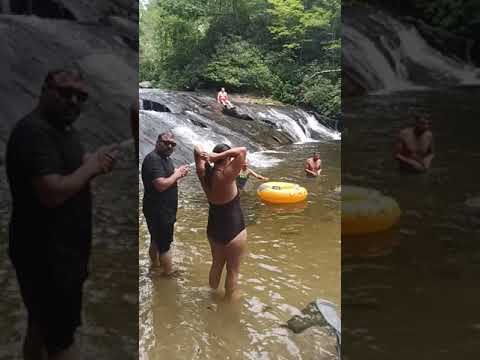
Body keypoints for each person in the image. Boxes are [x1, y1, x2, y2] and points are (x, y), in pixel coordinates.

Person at [6, 69, 118, 360]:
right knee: (62, 341)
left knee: (40, 326)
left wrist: (91, 160)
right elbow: (51, 191)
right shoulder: (34, 132)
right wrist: (91, 168)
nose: (73, 101)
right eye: (65, 92)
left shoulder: (62, 129)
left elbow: (65, 167)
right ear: (45, 90)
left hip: (58, 251)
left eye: (81, 97)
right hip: (47, 254)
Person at [193, 143, 247, 300]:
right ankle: (230, 306)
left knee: (216, 265)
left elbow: (196, 148)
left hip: (214, 228)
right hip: (234, 229)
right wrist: (217, 156)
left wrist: (208, 156)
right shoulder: (227, 175)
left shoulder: (203, 173)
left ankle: (212, 297)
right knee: (233, 270)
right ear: (227, 158)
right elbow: (242, 151)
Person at [141, 132, 189, 275]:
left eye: (172, 144)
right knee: (165, 246)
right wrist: (177, 174)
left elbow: (167, 178)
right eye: (166, 142)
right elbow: (160, 185)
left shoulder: (165, 158)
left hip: (160, 208)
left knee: (155, 239)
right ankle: (168, 275)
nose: (169, 146)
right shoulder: (153, 159)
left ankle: (154, 266)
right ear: (157, 142)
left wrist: (178, 174)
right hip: (159, 210)